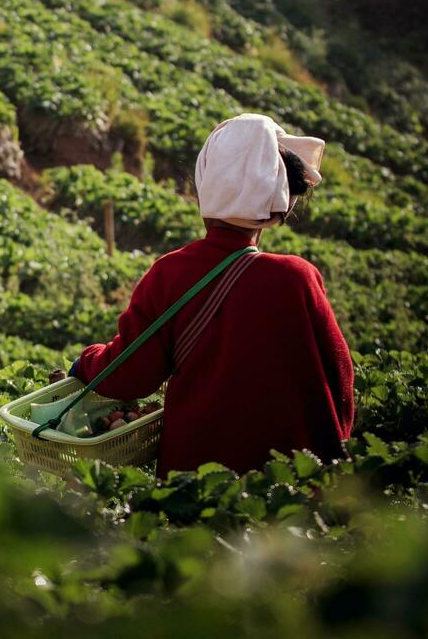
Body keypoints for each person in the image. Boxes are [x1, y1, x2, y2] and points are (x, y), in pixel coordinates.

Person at [51, 113, 354, 477]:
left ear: (205, 187)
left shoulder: (172, 273)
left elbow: (129, 374)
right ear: (278, 204)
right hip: (290, 481)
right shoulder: (299, 278)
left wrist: (86, 364)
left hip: (195, 481)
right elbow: (340, 380)